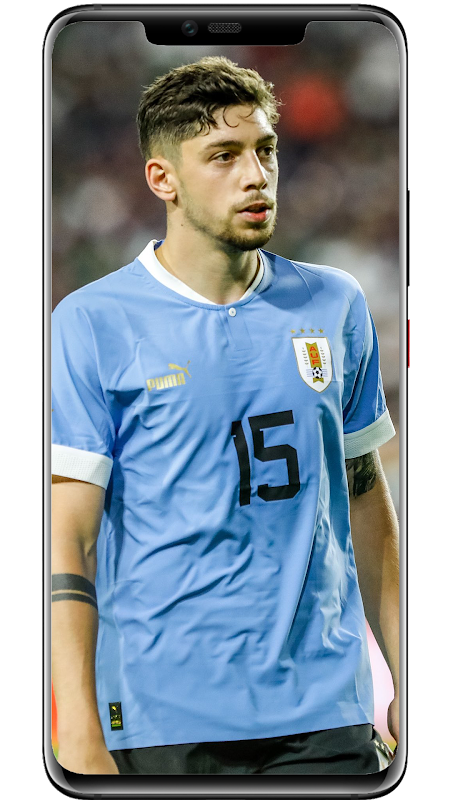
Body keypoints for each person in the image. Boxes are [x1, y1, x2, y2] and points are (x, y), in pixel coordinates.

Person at [51, 56, 399, 776]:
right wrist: (78, 726)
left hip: (324, 713)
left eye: (265, 150)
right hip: (159, 717)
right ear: (163, 179)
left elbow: (366, 500)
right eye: (224, 155)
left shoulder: (334, 304)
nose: (256, 175)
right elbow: (69, 540)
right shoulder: (92, 322)